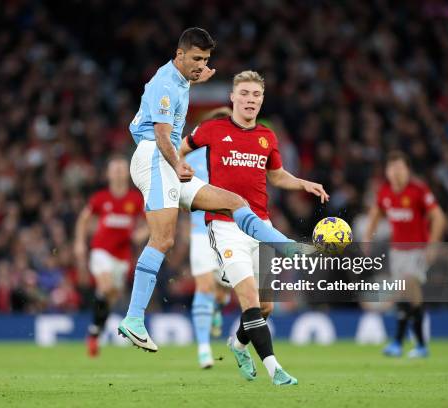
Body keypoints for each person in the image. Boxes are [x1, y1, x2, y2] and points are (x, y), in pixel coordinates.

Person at [119, 28, 313, 353]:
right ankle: (134, 319)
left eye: (206, 59)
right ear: (178, 55)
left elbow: (176, 95)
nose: (201, 64)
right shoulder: (167, 84)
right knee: (163, 238)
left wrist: (195, 77)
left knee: (232, 202)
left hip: (159, 159)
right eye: (195, 59)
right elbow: (163, 134)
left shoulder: (177, 79)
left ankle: (286, 246)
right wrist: (177, 163)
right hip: (155, 157)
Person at [179, 70, 329, 385]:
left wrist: (303, 183)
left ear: (261, 100)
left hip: (261, 225)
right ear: (233, 98)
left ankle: (237, 344)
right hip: (224, 224)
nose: (250, 100)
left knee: (265, 306)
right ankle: (275, 369)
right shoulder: (212, 129)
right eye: (244, 94)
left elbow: (276, 175)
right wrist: (179, 165)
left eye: (256, 95)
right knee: (248, 298)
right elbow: (179, 149)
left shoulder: (267, 137)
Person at [364, 150, 445, 358]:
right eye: (392, 168)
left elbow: (439, 217)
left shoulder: (419, 190)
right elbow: (375, 212)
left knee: (410, 285)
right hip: (397, 252)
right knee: (402, 294)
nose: (396, 172)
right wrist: (367, 238)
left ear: (408, 170)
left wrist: (433, 244)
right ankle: (401, 343)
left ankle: (419, 344)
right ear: (387, 172)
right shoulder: (385, 193)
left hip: (417, 250)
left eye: (400, 168)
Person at [74, 155, 146, 357]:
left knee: (109, 296)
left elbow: (150, 222)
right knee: (105, 287)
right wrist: (79, 243)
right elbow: (83, 219)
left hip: (122, 256)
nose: (118, 172)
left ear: (128, 173)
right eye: (115, 169)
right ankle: (95, 329)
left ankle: (94, 332)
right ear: (108, 174)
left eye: (122, 169)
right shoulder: (100, 198)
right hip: (101, 250)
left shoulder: (135, 199)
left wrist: (141, 234)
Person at [185, 107, 233, 369]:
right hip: (200, 230)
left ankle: (217, 307)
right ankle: (203, 348)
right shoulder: (192, 157)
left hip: (229, 231)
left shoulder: (236, 158)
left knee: (223, 289)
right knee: (204, 286)